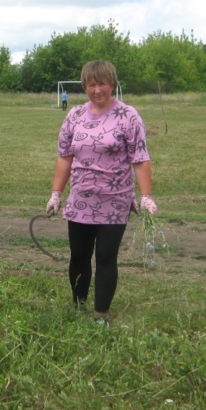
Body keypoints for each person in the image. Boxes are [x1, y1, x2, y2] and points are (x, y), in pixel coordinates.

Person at [45, 60, 155, 326]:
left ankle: (101, 315)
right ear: (85, 86)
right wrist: (56, 194)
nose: (97, 90)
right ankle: (78, 305)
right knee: (79, 257)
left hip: (115, 200)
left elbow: (140, 158)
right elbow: (64, 156)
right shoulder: (75, 115)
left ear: (112, 84)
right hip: (81, 199)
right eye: (91, 85)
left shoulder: (128, 116)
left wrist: (146, 196)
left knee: (106, 257)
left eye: (102, 84)